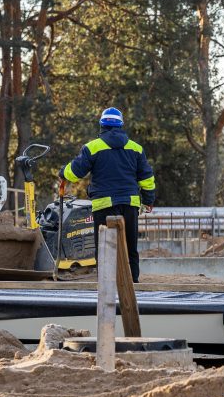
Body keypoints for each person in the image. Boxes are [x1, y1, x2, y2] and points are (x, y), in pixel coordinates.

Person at [60, 107, 155, 282]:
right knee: (130, 246)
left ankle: (106, 282)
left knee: (104, 247)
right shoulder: (136, 148)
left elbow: (75, 172)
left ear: (102, 125)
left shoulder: (92, 147)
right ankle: (133, 283)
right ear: (121, 125)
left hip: (104, 205)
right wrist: (148, 200)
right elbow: (147, 178)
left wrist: (62, 173)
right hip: (130, 203)